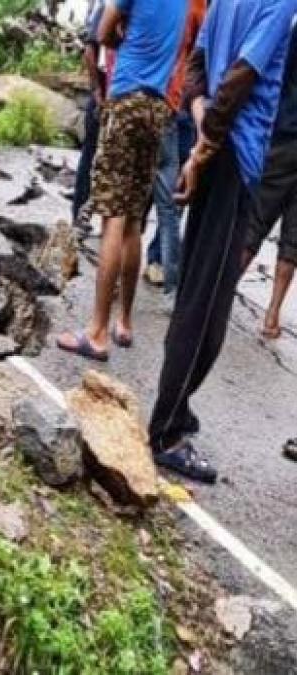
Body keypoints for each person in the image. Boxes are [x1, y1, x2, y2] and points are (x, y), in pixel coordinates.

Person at [149, 0, 297, 484]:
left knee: (197, 288)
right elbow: (240, 77)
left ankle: (177, 409)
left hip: (216, 151)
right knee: (206, 308)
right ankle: (168, 430)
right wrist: (208, 145)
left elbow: (197, 71)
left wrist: (199, 141)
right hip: (234, 157)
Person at [57, 0, 188, 362]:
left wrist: (119, 33)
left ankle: (97, 332)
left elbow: (101, 33)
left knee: (112, 217)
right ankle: (124, 322)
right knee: (133, 218)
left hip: (127, 99)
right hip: (157, 108)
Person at [144, 0, 208, 296]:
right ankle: (166, 275)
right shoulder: (197, 9)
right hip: (178, 102)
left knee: (158, 192)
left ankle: (152, 260)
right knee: (169, 197)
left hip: (171, 101)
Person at [242, 26, 297, 341]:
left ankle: (222, 294)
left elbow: (280, 74)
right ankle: (271, 315)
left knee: (257, 220)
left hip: (286, 135)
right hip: (287, 134)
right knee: (293, 239)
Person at [72, 0, 111, 231]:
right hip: (102, 97)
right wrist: (97, 91)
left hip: (118, 97)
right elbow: (89, 51)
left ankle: (100, 219)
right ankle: (79, 216)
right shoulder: (107, 8)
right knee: (91, 156)